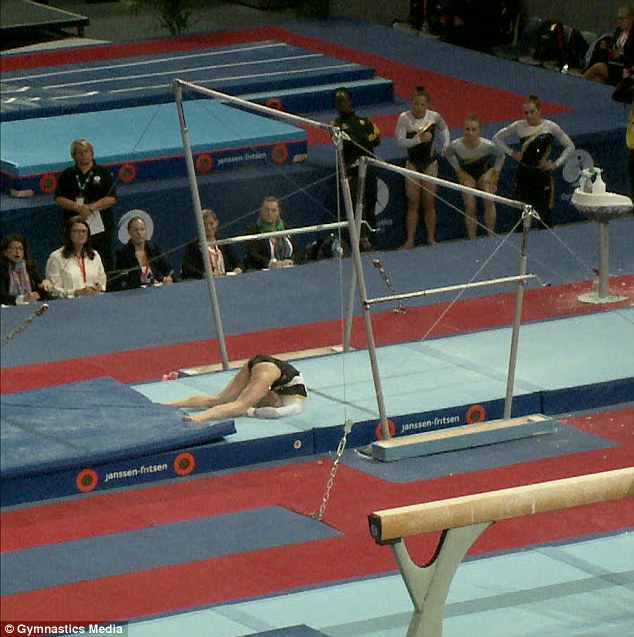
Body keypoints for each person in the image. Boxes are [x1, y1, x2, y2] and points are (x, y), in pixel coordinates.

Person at [492, 94, 575, 229]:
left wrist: (556, 164)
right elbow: (496, 138)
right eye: (526, 113)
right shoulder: (518, 126)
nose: (529, 116)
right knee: (521, 216)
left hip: (542, 176)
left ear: (539, 111)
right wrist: (512, 153)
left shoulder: (550, 127)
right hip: (524, 176)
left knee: (544, 217)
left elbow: (570, 146)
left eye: (532, 112)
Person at [163, 355, 307, 423]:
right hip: (269, 370)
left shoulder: (279, 391)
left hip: (262, 362)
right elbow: (275, 413)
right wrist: (250, 411)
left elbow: (270, 401)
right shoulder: (295, 406)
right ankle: (198, 418)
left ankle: (167, 405)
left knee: (219, 400)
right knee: (239, 406)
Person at [395, 86, 450, 248]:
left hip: (430, 163)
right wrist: (418, 140)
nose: (419, 108)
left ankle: (431, 238)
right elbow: (399, 142)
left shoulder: (434, 116)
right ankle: (410, 240)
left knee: (429, 203)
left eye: (422, 105)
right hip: (413, 162)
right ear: (411, 104)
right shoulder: (404, 118)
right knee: (413, 203)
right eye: (416, 104)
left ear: (427, 105)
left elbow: (444, 128)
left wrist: (446, 145)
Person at [54, 139, 116, 273]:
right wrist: (78, 208)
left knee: (103, 260)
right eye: (79, 152)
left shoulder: (103, 173)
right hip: (74, 226)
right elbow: (59, 198)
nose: (83, 155)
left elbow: (111, 198)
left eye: (86, 151)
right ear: (73, 156)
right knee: (75, 259)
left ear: (92, 153)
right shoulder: (67, 175)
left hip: (100, 227)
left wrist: (91, 207)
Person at [331, 87, 381, 250]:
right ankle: (360, 237)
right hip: (351, 170)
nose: (342, 104)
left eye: (344, 100)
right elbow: (344, 143)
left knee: (370, 201)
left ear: (350, 101)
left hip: (368, 167)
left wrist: (357, 140)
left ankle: (371, 236)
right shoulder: (336, 124)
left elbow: (376, 138)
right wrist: (361, 140)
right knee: (356, 205)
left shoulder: (365, 121)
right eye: (339, 102)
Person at [445, 115, 505, 239]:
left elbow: (501, 156)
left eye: (474, 129)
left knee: (489, 199)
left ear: (479, 130)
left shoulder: (487, 145)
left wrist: (494, 177)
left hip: (484, 174)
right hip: (468, 175)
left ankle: (491, 234)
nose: (470, 133)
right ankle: (472, 238)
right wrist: (460, 172)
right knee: (470, 204)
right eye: (467, 129)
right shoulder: (456, 145)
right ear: (463, 129)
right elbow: (448, 154)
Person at [45, 216, 107, 298]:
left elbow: (102, 280)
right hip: (68, 303)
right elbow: (53, 290)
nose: (81, 234)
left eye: (84, 231)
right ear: (68, 234)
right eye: (76, 231)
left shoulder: (94, 255)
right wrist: (76, 292)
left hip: (94, 301)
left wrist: (99, 287)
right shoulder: (56, 257)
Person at [113, 216, 175, 290]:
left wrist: (167, 278)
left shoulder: (154, 249)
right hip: (136, 292)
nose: (139, 233)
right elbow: (120, 281)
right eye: (136, 230)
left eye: (142, 229)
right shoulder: (123, 254)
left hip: (159, 289)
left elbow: (168, 270)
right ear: (129, 232)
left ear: (146, 231)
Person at [181, 209, 242, 279]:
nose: (208, 228)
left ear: (216, 223)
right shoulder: (193, 246)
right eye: (205, 225)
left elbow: (237, 262)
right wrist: (203, 275)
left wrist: (238, 269)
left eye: (211, 224)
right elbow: (187, 269)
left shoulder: (223, 243)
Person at [584, 7, 633, 85]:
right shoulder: (619, 31)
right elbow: (613, 46)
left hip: (623, 68)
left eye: (622, 19)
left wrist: (620, 55)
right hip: (612, 64)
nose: (619, 22)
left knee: (599, 67)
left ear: (631, 19)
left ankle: (582, 79)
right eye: (618, 19)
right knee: (597, 79)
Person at [243, 197, 295, 270]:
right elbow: (252, 254)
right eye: (267, 210)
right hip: (263, 270)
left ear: (279, 212)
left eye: (273, 211)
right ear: (261, 211)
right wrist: (269, 263)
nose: (269, 213)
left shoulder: (286, 229)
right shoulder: (253, 231)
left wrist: (291, 260)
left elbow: (296, 251)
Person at [1, 235, 54, 305]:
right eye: (13, 248)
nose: (17, 251)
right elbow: (2, 297)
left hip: (30, 307)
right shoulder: (2, 270)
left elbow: (41, 289)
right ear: (5, 252)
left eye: (20, 248)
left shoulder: (30, 268)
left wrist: (45, 284)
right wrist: (22, 299)